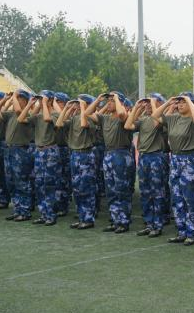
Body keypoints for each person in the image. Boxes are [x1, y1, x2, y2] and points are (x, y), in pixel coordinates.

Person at [152, 92, 194, 245]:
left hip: (190, 159)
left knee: (190, 198)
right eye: (179, 102)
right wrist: (169, 102)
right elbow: (155, 115)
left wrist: (189, 99)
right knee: (177, 197)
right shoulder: (173, 118)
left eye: (183, 102)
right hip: (175, 159)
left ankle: (192, 233)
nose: (180, 105)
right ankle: (181, 231)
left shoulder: (193, 119)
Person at [84, 92, 134, 233]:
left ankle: (123, 221)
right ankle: (114, 219)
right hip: (108, 154)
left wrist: (117, 98)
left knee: (121, 190)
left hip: (121, 154)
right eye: (109, 101)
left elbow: (122, 114)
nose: (110, 103)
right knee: (110, 190)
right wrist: (98, 99)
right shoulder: (105, 118)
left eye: (112, 101)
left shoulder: (124, 116)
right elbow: (87, 113)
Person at [125, 93, 168, 238]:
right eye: (147, 103)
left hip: (156, 157)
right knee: (145, 192)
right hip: (144, 157)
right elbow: (128, 125)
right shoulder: (143, 119)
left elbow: (156, 121)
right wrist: (137, 108)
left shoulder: (161, 119)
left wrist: (154, 104)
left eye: (151, 102)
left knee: (157, 192)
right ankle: (149, 223)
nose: (148, 105)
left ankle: (158, 224)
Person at [18, 90, 61, 226]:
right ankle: (44, 214)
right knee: (39, 184)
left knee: (49, 184)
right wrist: (30, 104)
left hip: (50, 151)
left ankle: (51, 215)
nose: (41, 101)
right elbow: (21, 119)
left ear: (50, 100)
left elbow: (48, 119)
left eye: (44, 99)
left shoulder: (55, 114)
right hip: (39, 151)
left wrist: (45, 103)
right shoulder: (38, 116)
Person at [56, 94, 98, 229]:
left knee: (86, 188)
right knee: (77, 189)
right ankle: (82, 217)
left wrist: (83, 107)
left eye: (81, 103)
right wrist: (67, 108)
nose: (78, 105)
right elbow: (59, 123)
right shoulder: (74, 118)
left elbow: (84, 123)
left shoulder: (90, 119)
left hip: (85, 155)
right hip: (74, 154)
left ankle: (88, 219)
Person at [0, 90, 34, 222]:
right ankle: (18, 209)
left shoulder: (28, 114)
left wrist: (14, 96)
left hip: (21, 151)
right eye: (18, 98)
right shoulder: (10, 115)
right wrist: (5, 99)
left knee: (21, 182)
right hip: (9, 150)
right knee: (11, 182)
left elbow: (18, 111)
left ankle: (25, 211)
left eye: (20, 98)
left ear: (26, 101)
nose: (17, 100)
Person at [52, 92, 72, 217]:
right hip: (54, 148)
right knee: (55, 179)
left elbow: (61, 116)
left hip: (64, 149)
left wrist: (53, 101)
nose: (55, 104)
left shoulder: (68, 115)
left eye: (58, 101)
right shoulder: (53, 114)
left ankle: (63, 205)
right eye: (56, 101)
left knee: (63, 179)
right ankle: (56, 204)